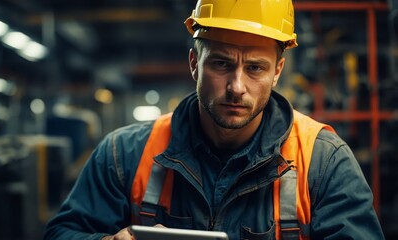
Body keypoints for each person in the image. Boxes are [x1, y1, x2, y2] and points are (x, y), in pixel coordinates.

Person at [44, 0, 385, 239]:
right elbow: (61, 233)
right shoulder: (124, 154)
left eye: (255, 68)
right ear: (195, 62)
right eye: (221, 64)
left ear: (277, 71)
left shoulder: (324, 161)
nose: (237, 87)